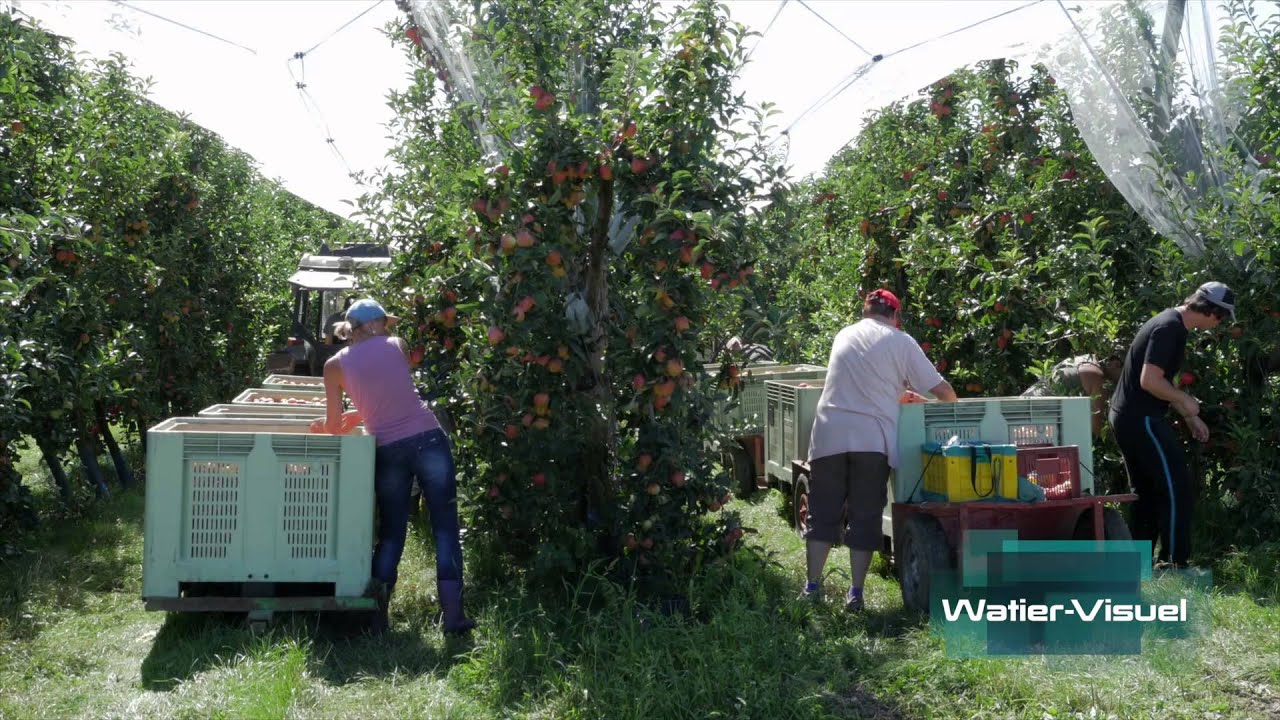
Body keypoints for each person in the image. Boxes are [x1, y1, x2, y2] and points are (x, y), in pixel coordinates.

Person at [310, 298, 475, 635]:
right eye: (385, 322)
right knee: (445, 528)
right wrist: (363, 411)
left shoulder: (334, 365)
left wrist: (328, 425)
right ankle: (454, 617)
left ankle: (376, 618)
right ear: (376, 325)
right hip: (428, 439)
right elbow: (396, 393)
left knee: (391, 533)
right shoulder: (397, 345)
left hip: (387, 450)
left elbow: (336, 425)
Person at [803, 289, 958, 611]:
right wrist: (950, 406)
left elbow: (857, 384)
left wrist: (895, 394)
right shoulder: (901, 341)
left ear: (865, 311)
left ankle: (812, 587)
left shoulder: (844, 334)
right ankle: (855, 594)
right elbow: (942, 390)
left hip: (829, 433)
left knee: (822, 514)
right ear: (895, 316)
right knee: (865, 517)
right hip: (871, 440)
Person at [1108, 281, 1235, 569]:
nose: (1221, 324)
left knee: (1147, 492)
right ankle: (1175, 564)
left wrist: (1190, 416)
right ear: (1212, 312)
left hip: (1127, 416)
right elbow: (1149, 381)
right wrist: (1185, 400)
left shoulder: (1169, 321)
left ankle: (1138, 566)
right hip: (1142, 419)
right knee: (1177, 488)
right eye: (1222, 318)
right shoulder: (1170, 329)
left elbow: (1162, 380)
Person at [1022, 354, 1124, 434]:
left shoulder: (1085, 359)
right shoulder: (1096, 376)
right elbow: (1096, 428)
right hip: (1032, 417)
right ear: (1116, 364)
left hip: (1021, 405)